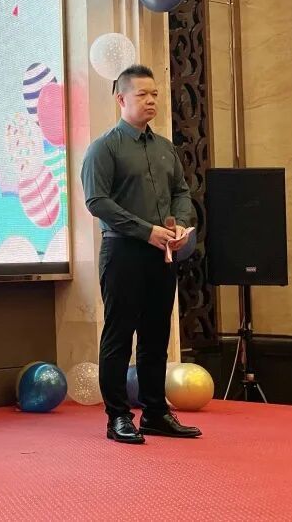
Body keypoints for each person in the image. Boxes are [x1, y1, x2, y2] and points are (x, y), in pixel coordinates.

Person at [81, 64, 202, 444]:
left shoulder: (165, 147)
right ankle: (118, 416)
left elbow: (181, 192)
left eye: (154, 94)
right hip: (123, 251)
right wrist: (145, 230)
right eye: (142, 94)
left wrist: (181, 226)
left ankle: (155, 412)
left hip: (163, 253)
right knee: (119, 335)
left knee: (156, 334)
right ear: (121, 99)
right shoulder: (104, 147)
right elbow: (96, 200)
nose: (151, 101)